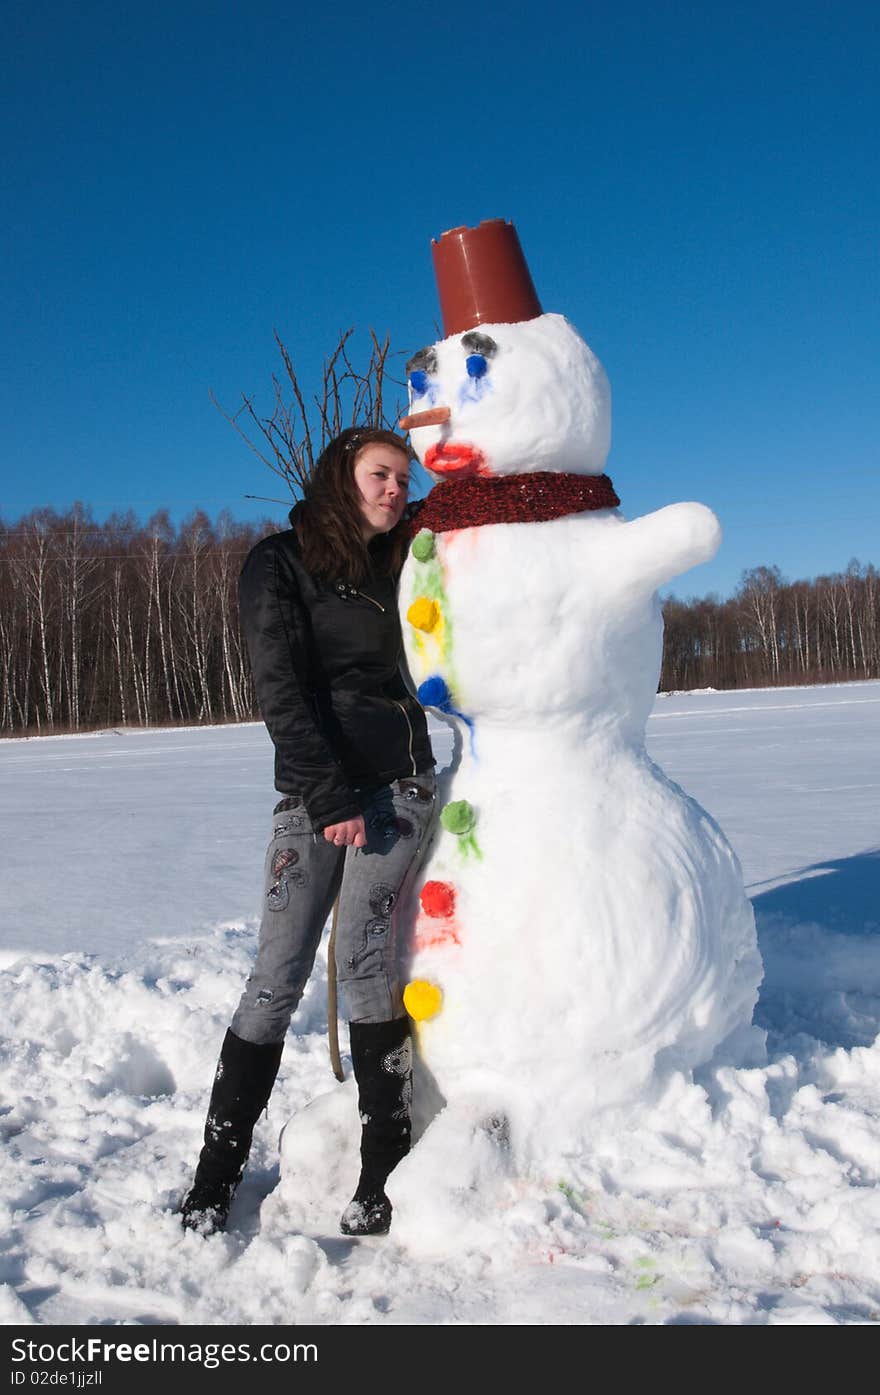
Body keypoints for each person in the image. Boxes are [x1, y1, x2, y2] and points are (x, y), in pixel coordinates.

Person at [180, 425, 436, 1237]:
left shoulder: (398, 560)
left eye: (403, 476)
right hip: (316, 795)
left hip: (399, 783)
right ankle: (214, 1178)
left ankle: (380, 1176)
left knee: (364, 962)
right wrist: (329, 797)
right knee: (276, 973)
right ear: (341, 477)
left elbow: (461, 517)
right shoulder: (279, 561)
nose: (395, 489)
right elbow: (282, 689)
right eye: (379, 474)